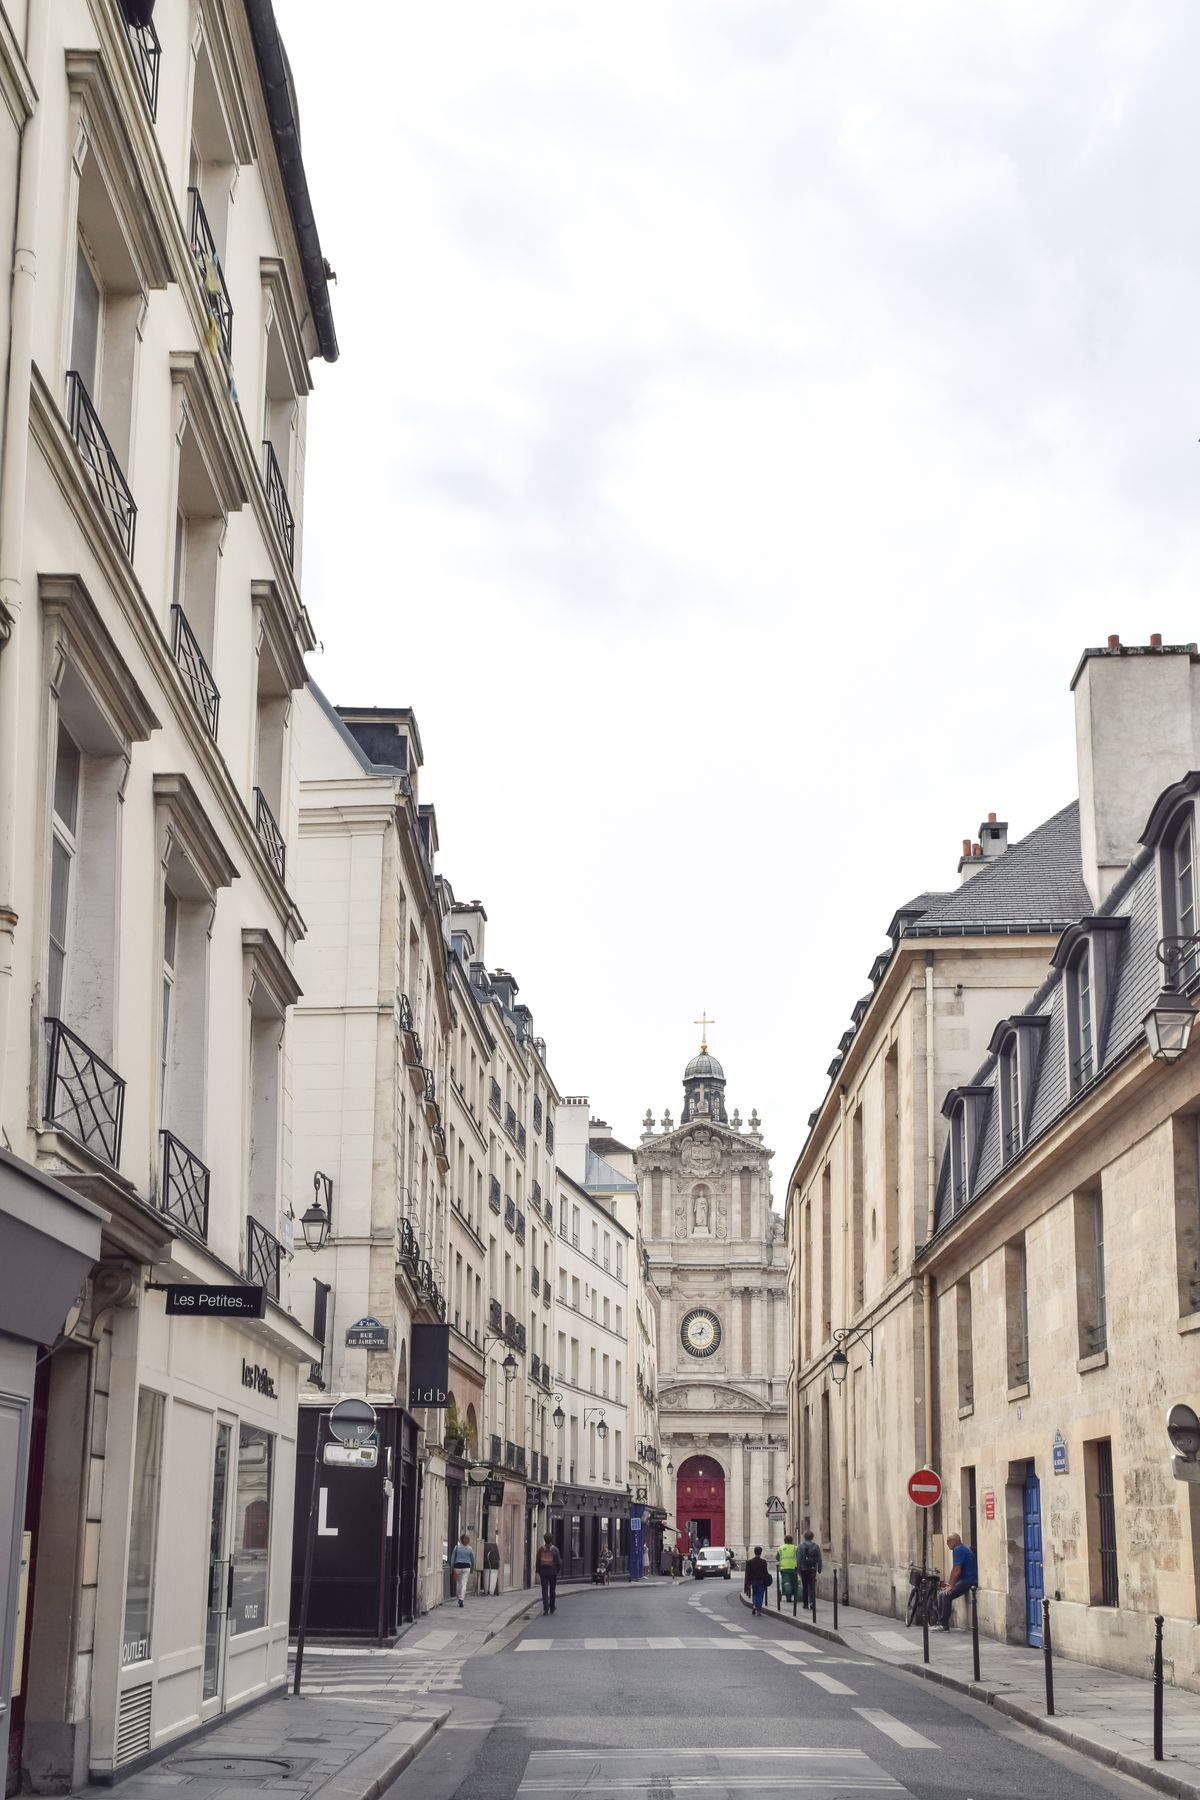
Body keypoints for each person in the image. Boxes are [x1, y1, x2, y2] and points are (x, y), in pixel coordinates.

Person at [938, 1532, 978, 1629]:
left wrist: (951, 1586)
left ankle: (944, 1625)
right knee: (941, 1594)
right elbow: (955, 1569)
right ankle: (940, 1622)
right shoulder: (961, 1549)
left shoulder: (958, 1550)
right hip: (966, 1579)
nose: (946, 1543)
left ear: (955, 1541)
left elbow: (957, 1570)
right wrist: (950, 1583)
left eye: (948, 1541)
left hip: (969, 1580)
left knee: (946, 1595)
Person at [536, 1533, 562, 1614]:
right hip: (553, 1572)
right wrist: (557, 1571)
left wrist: (538, 1571)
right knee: (552, 1590)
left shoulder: (540, 1549)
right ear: (551, 1539)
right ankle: (552, 1607)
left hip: (543, 1572)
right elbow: (558, 1562)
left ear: (544, 1539)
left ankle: (546, 1608)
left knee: (544, 1590)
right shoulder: (555, 1549)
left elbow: (538, 1561)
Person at [744, 1544, 771, 1617]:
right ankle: (758, 1609)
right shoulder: (763, 1562)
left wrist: (748, 1583)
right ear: (761, 1552)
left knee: (755, 1594)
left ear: (754, 1552)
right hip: (761, 1581)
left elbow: (748, 1574)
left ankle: (754, 1605)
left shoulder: (750, 1562)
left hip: (753, 1581)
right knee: (760, 1595)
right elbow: (765, 1572)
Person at [798, 1530, 822, 1610]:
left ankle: (805, 1604)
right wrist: (819, 1568)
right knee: (812, 1587)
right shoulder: (816, 1546)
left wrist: (798, 1569)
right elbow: (819, 1558)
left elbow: (799, 1558)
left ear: (804, 1537)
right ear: (812, 1537)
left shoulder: (801, 1546)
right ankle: (812, 1602)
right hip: (812, 1569)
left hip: (804, 1569)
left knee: (805, 1587)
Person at [449, 1533, 474, 1607]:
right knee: (464, 1583)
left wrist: (451, 1568)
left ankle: (458, 1597)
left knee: (458, 1583)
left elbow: (452, 1559)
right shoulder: (470, 1549)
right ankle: (461, 1598)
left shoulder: (456, 1548)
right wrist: (472, 1568)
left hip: (457, 1566)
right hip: (467, 1567)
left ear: (461, 1539)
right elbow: (473, 1560)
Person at [776, 1534, 798, 1605]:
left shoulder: (781, 1548)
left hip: (784, 1568)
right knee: (793, 1582)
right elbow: (798, 1557)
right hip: (793, 1568)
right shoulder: (795, 1548)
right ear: (792, 1540)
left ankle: (788, 1596)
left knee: (786, 1582)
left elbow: (777, 1557)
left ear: (784, 1540)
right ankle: (793, 1594)